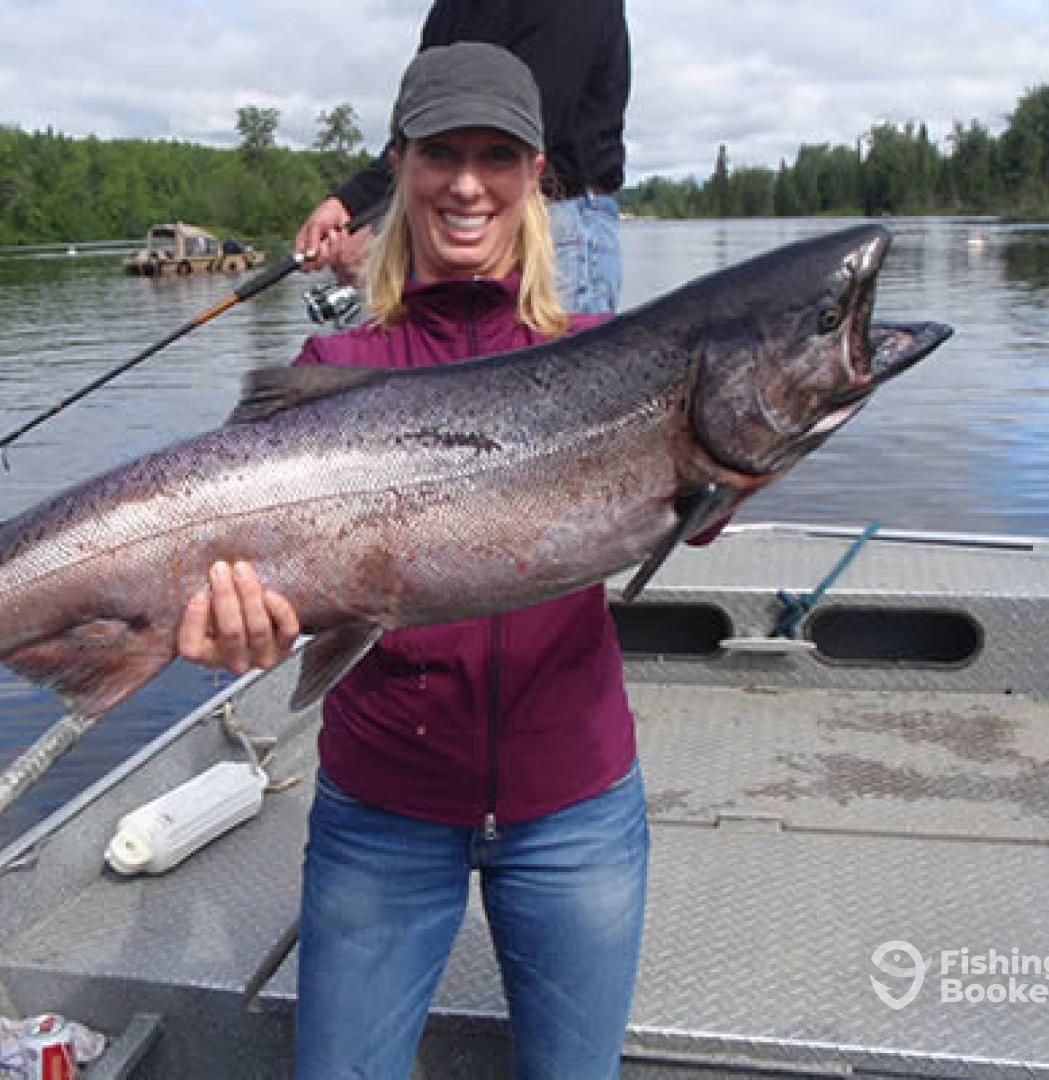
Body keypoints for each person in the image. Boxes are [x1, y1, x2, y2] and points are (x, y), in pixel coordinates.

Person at [178, 43, 652, 1079]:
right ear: (400, 168)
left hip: (576, 809)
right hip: (382, 812)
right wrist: (241, 633)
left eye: (497, 156)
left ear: (536, 176)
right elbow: (276, 593)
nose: (468, 184)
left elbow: (694, 510)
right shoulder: (333, 368)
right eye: (442, 154)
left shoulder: (602, 355)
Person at [295, 0, 630, 316]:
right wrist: (350, 203)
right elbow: (420, 122)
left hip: (561, 221)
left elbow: (527, 128)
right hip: (474, 222)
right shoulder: (452, 8)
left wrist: (380, 232)